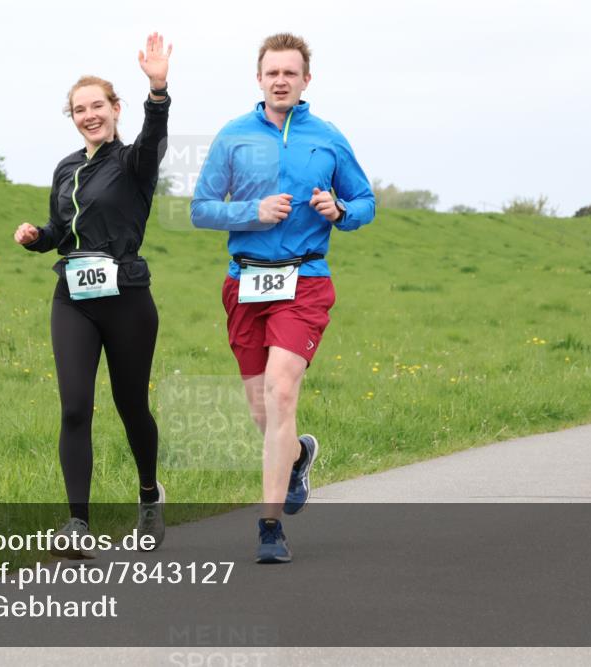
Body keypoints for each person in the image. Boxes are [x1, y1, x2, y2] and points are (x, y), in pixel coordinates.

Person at [190, 33, 375, 563]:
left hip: (305, 281)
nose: (280, 80)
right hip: (245, 283)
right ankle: (298, 457)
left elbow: (365, 202)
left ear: (305, 80)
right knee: (259, 407)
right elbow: (201, 209)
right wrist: (251, 212)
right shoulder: (233, 136)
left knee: (281, 391)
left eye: (290, 73)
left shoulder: (328, 138)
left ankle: (269, 527)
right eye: (272, 72)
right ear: (259, 78)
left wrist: (339, 210)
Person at [14, 33, 172, 557]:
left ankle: (149, 496)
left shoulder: (133, 162)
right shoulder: (65, 168)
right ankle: (77, 524)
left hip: (126, 297)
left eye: (97, 106)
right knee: (76, 406)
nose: (88, 115)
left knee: (130, 405)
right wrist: (38, 237)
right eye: (79, 109)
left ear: (114, 109)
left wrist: (157, 88)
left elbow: (154, 138)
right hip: (73, 298)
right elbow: (62, 230)